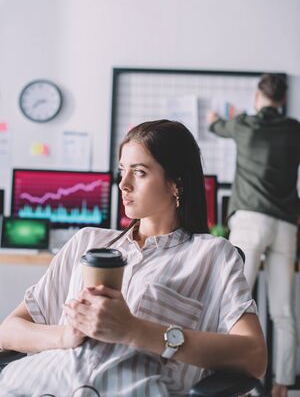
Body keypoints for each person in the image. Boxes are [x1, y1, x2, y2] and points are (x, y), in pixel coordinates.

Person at [0, 120, 267, 397]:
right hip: (50, 384)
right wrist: (65, 336)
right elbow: (8, 331)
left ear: (176, 184)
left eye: (139, 172)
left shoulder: (212, 255)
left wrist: (134, 330)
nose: (123, 185)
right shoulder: (87, 242)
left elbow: (254, 356)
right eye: (122, 171)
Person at [207, 74, 300, 397]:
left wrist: (214, 118)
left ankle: (236, 379)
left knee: (235, 302)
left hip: (249, 221)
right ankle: (282, 384)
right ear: (284, 100)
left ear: (257, 96)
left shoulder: (243, 124)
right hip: (286, 225)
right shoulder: (295, 130)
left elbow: (215, 127)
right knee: (283, 310)